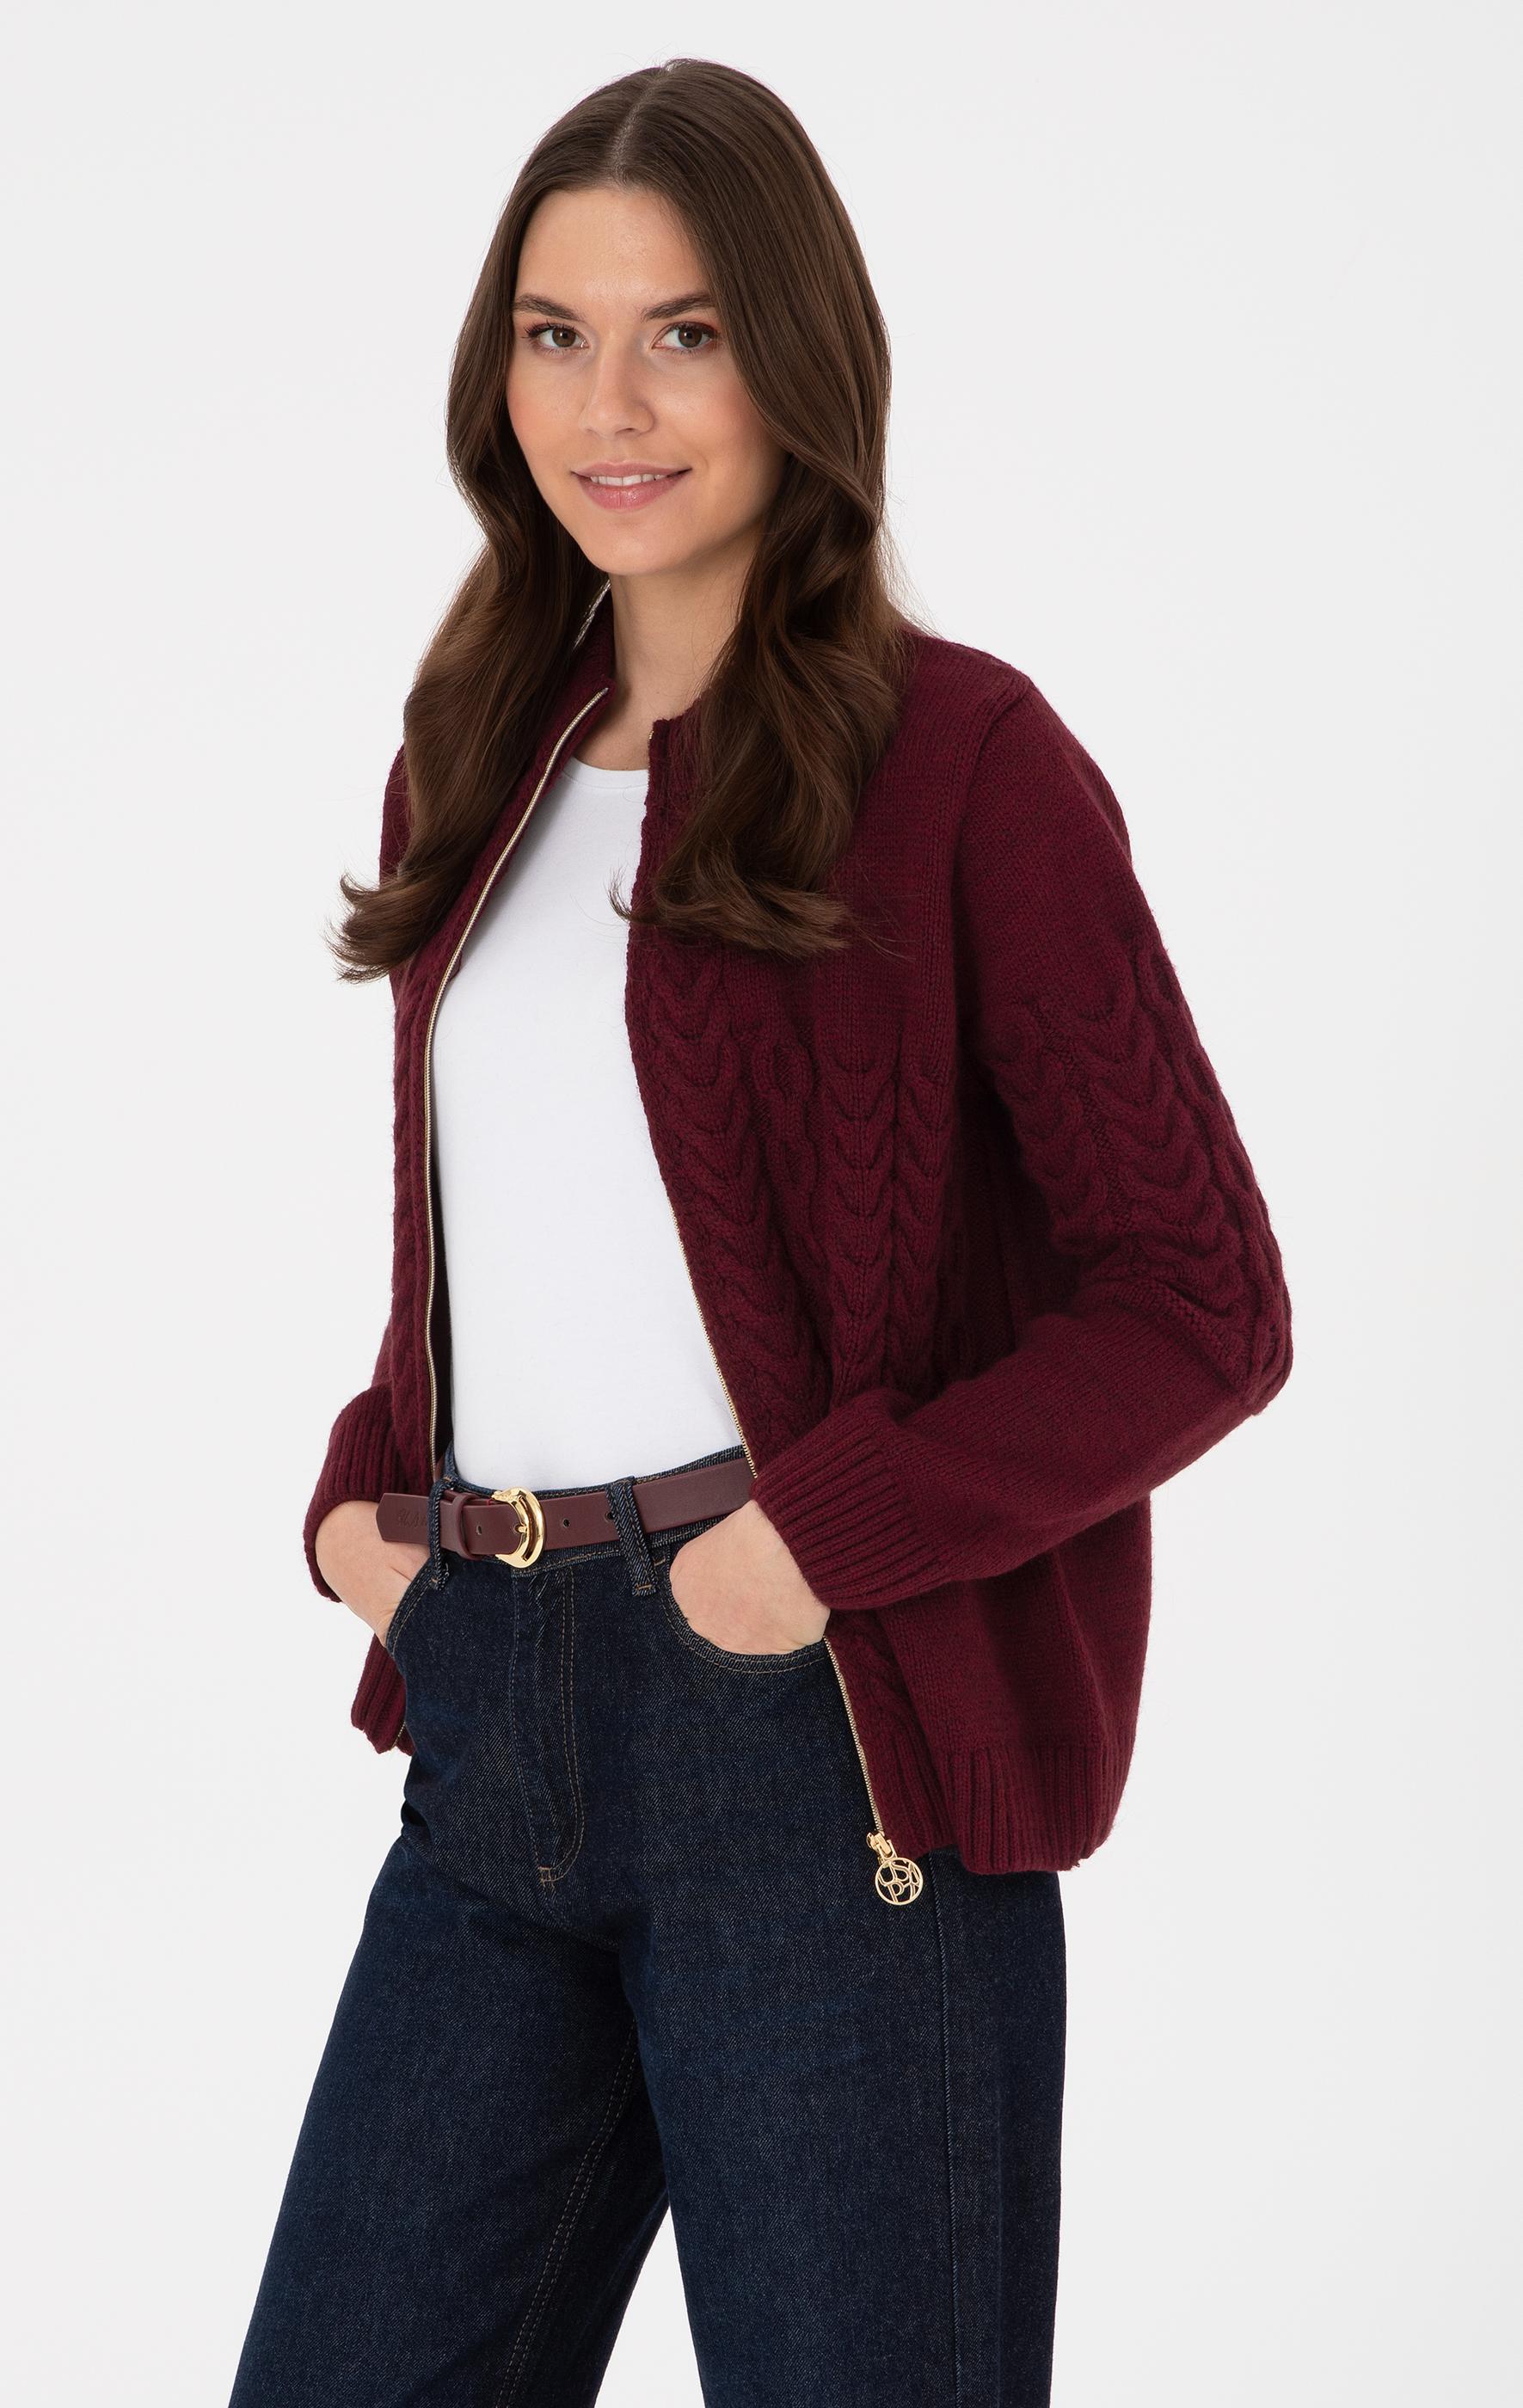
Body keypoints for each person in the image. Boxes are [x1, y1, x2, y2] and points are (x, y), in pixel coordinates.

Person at [227, 57, 1293, 2408]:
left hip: (821, 1742)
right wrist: (358, 1507)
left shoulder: (966, 765)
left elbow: (1199, 1303)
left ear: (796, 358)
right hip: (491, 1726)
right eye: (555, 334)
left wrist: (821, 1545)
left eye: (684, 335)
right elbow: (515, 1232)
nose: (609, 404)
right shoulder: (474, 754)